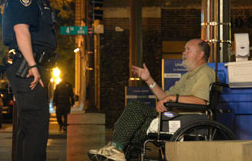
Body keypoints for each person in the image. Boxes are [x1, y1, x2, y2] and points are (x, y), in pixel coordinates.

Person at [88, 39, 216, 161]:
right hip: (172, 115)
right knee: (136, 129)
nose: (183, 53)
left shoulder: (205, 72)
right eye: (184, 50)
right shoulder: (188, 76)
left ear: (200, 55)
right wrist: (149, 79)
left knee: (136, 107)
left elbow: (201, 101)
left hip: (184, 118)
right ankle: (117, 152)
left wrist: (172, 98)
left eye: (188, 50)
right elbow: (164, 97)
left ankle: (115, 148)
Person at [2, 0, 58, 160]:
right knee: (36, 125)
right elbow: (20, 30)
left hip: (32, 65)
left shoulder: (35, 1)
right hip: (27, 66)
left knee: (29, 126)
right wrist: (33, 66)